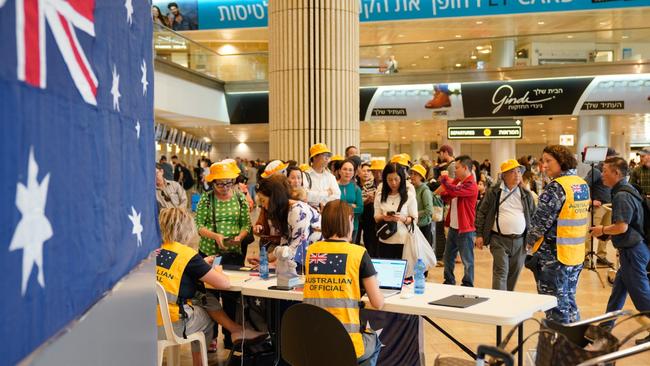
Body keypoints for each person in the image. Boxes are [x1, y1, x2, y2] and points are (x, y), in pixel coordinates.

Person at [156, 208, 265, 366]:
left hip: (148, 322)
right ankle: (200, 363)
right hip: (174, 324)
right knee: (208, 318)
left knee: (205, 298)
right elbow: (224, 283)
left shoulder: (154, 251)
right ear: (187, 229)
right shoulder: (187, 255)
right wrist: (214, 271)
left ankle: (236, 330)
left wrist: (202, 265)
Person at [304, 200, 384, 366]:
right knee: (374, 340)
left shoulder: (311, 251)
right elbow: (378, 303)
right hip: (347, 345)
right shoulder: (358, 253)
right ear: (349, 220)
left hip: (313, 343)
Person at [526, 145, 589, 324]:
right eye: (543, 161)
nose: (544, 165)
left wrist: (528, 243)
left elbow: (539, 223)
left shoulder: (556, 187)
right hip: (574, 254)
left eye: (548, 161)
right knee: (569, 301)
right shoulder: (581, 184)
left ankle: (556, 348)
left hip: (554, 256)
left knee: (554, 306)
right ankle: (574, 342)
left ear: (561, 161)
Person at [589, 157, 650, 338]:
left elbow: (621, 227)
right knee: (618, 293)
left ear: (616, 173)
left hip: (633, 253)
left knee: (642, 297)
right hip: (632, 250)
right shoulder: (627, 189)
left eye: (605, 171)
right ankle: (605, 328)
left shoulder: (622, 195)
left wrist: (602, 229)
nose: (602, 175)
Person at [475, 159, 535, 291]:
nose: (517, 175)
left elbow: (533, 216)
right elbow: (481, 212)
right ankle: (499, 303)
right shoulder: (494, 192)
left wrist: (531, 239)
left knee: (514, 274)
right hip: (499, 240)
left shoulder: (526, 194)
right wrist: (479, 235)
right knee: (501, 272)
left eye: (519, 171)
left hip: (520, 241)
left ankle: (507, 301)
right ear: (504, 176)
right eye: (513, 172)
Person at [250, 174, 322, 270]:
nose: (263, 206)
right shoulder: (285, 212)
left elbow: (298, 246)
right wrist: (265, 259)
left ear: (274, 198)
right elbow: (284, 247)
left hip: (318, 260)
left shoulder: (298, 210)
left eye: (263, 201)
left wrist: (274, 264)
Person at [195, 162, 251, 265]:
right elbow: (199, 226)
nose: (225, 187)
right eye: (220, 184)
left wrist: (240, 237)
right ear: (213, 183)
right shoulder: (206, 198)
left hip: (234, 253)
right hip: (209, 252)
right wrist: (216, 236)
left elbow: (246, 224)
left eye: (228, 183)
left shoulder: (240, 197)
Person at [436, 155, 478, 287]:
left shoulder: (471, 185)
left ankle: (468, 283)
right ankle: (449, 280)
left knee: (467, 260)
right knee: (448, 257)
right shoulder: (458, 182)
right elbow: (447, 194)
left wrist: (444, 180)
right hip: (454, 227)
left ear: (465, 168)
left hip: (465, 229)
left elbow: (453, 190)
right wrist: (445, 189)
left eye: (457, 167)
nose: (455, 170)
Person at [373, 163, 418, 259]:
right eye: (389, 180)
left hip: (403, 241)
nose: (393, 183)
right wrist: (384, 217)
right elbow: (376, 217)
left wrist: (403, 218)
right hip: (385, 240)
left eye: (396, 179)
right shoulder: (380, 196)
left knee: (404, 272)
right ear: (385, 179)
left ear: (402, 179)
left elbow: (414, 218)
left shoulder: (409, 196)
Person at [584, 148, 618, 267]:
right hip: (598, 207)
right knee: (591, 232)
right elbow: (584, 185)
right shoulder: (597, 171)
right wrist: (591, 201)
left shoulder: (610, 171)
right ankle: (586, 257)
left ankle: (601, 257)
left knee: (606, 232)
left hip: (608, 205)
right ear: (606, 157)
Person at [305, 143, 341, 209]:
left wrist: (322, 204)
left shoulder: (330, 176)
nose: (327, 158)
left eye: (328, 156)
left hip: (328, 212)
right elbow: (306, 195)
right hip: (310, 213)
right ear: (315, 157)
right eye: (324, 155)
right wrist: (327, 193)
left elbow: (337, 196)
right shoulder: (305, 175)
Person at [338, 159, 364, 242]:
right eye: (345, 169)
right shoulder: (333, 186)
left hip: (353, 226)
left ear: (353, 173)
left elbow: (360, 209)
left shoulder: (356, 188)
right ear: (339, 171)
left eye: (350, 170)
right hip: (337, 225)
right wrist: (351, 205)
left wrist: (342, 207)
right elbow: (332, 207)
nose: (347, 172)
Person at [410, 164, 434, 246]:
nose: (412, 176)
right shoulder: (412, 188)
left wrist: (415, 214)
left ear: (421, 177)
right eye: (411, 173)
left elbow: (429, 210)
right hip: (415, 225)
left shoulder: (425, 190)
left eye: (415, 174)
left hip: (424, 226)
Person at [358, 162, 379, 256]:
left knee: (370, 242)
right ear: (359, 173)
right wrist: (365, 200)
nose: (366, 173)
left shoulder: (375, 186)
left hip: (370, 218)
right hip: (357, 218)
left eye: (368, 171)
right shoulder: (355, 185)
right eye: (363, 171)